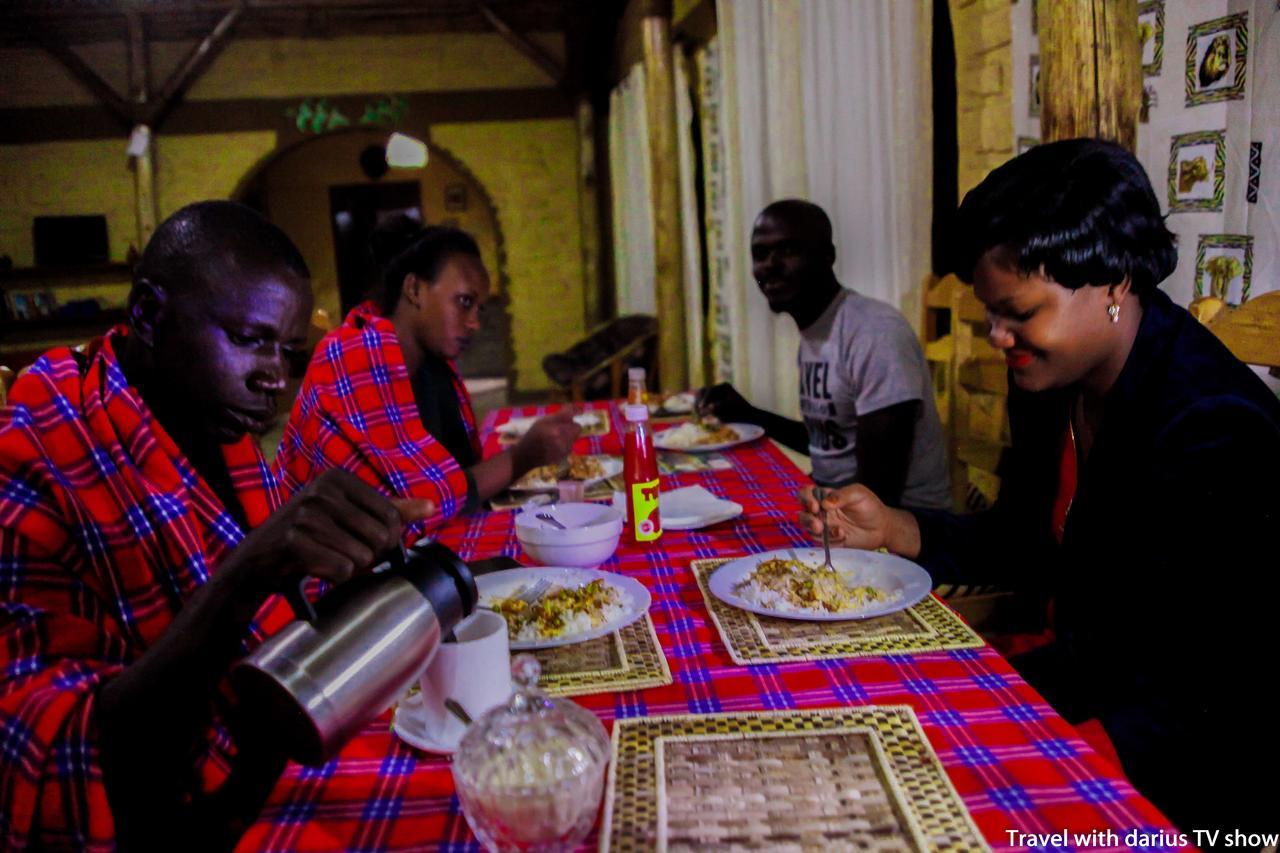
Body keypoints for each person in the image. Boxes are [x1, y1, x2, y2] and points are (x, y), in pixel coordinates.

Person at [799, 139, 1280, 838]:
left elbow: (1194, 690)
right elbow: (1026, 537)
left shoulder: (1213, 429)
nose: (997, 336)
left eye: (1018, 313)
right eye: (992, 313)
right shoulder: (1056, 380)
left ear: (1115, 279)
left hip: (1183, 762)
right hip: (1087, 683)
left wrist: (997, 737)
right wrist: (898, 529)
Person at [0, 202, 431, 848]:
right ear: (148, 314)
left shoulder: (219, 426)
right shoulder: (43, 451)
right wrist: (250, 570)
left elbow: (268, 636)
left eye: (288, 352)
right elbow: (51, 756)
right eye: (250, 339)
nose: (275, 379)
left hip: (255, 765)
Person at [276, 220, 579, 525]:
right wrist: (523, 456)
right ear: (414, 289)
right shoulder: (353, 355)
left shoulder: (432, 366)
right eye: (464, 302)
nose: (474, 322)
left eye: (479, 309)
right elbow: (419, 507)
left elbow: (454, 475)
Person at [697, 200, 950, 509]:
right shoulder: (817, 330)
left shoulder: (874, 333)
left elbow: (878, 493)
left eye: (788, 251)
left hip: (907, 531)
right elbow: (830, 448)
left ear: (828, 256)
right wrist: (749, 414)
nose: (770, 266)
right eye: (760, 254)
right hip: (843, 510)